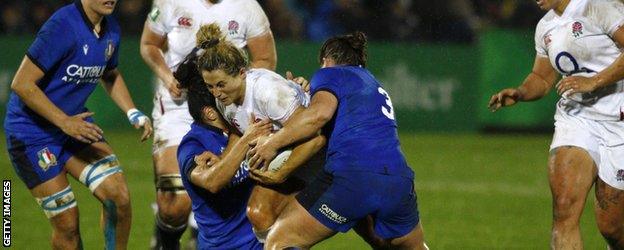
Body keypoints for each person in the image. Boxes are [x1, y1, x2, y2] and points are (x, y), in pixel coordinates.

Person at [247, 32, 428, 249]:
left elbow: (318, 116)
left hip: (352, 178)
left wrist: (272, 143)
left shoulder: (331, 74)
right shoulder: (374, 84)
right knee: (413, 246)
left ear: (326, 60)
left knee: (280, 241)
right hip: (398, 181)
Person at [3, 0, 152, 249]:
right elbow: (21, 84)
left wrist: (132, 111)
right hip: (31, 134)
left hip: (73, 126)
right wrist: (64, 122)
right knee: (68, 226)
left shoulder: (111, 27)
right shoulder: (62, 26)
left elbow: (110, 73)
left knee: (118, 196)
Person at [139, 0, 276, 247]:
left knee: (232, 178)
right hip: (178, 105)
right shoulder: (170, 2)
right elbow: (149, 44)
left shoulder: (247, 7)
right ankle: (166, 241)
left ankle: (203, 233)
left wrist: (238, 88)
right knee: (173, 204)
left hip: (224, 106)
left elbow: (265, 58)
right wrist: (167, 78)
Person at [487, 0, 624, 248]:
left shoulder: (597, 7)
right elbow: (541, 77)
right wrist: (520, 92)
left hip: (619, 122)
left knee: (612, 228)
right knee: (564, 208)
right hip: (576, 118)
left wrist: (595, 81)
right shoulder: (545, 27)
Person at [195, 23, 326, 242]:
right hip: (288, 157)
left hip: (322, 156)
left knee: (377, 234)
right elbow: (239, 133)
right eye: (210, 87)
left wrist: (280, 173)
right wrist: (221, 160)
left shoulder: (268, 92)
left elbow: (317, 138)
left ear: (241, 73)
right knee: (259, 214)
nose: (216, 93)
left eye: (220, 84)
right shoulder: (225, 102)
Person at [174, 51, 271, 249]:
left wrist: (296, 90)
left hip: (265, 240)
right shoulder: (193, 145)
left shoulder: (245, 127)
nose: (234, 104)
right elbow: (211, 181)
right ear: (210, 113)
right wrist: (245, 140)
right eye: (225, 102)